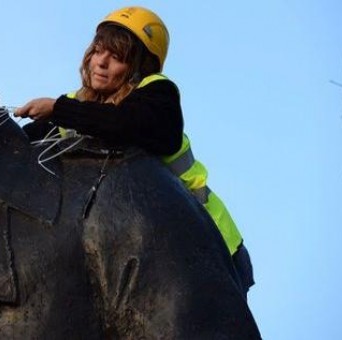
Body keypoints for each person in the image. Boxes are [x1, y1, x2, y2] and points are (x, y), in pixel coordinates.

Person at [14, 6, 254, 295]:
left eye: (116, 57)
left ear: (137, 68)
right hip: (149, 244)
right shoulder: (75, 108)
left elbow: (123, 125)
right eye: (98, 50)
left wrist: (58, 109)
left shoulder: (158, 96)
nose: (100, 63)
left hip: (211, 243)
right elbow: (17, 148)